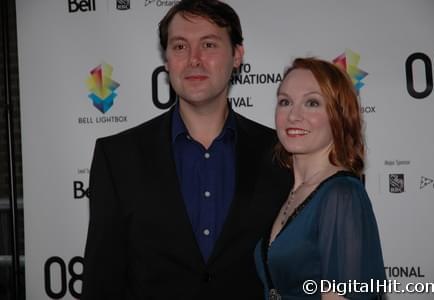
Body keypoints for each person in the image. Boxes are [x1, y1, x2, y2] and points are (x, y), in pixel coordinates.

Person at [81, 1, 291, 299]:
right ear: (166, 60)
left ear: (237, 56)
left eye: (208, 44)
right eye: (180, 46)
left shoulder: (283, 155)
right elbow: (101, 282)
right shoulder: (117, 157)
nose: (194, 59)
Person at [254, 58, 386, 300]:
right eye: (285, 102)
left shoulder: (341, 195)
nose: (293, 115)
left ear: (339, 116)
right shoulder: (288, 193)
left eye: (312, 103)